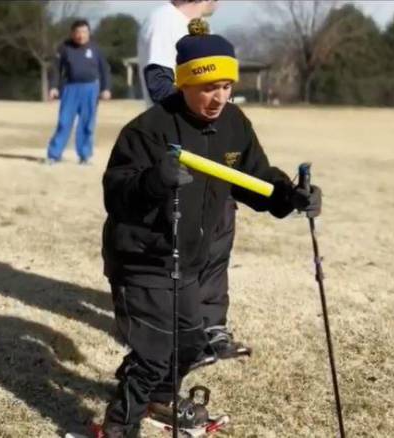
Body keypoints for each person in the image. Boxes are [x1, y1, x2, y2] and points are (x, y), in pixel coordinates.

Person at [99, 24, 321, 437]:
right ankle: (117, 426)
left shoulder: (233, 123)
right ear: (184, 83)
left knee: (190, 345)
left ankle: (159, 398)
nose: (219, 98)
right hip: (142, 259)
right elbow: (116, 193)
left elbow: (257, 180)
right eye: (207, 88)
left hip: (190, 260)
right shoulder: (148, 129)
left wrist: (291, 197)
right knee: (154, 352)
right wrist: (152, 181)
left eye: (226, 86)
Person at [138, 0, 250, 365]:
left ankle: (211, 327)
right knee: (184, 245)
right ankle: (182, 332)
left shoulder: (194, 27)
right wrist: (194, 124)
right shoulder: (164, 20)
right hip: (180, 146)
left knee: (218, 232)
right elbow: (158, 82)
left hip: (207, 144)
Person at [46, 19, 112, 165]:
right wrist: (53, 87)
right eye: (78, 32)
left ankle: (84, 155)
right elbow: (56, 68)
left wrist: (106, 88)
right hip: (70, 87)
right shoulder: (64, 48)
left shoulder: (95, 48)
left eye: (84, 32)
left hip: (90, 88)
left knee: (87, 123)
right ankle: (54, 154)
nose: (81, 35)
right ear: (72, 33)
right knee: (64, 122)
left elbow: (105, 70)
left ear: (89, 33)